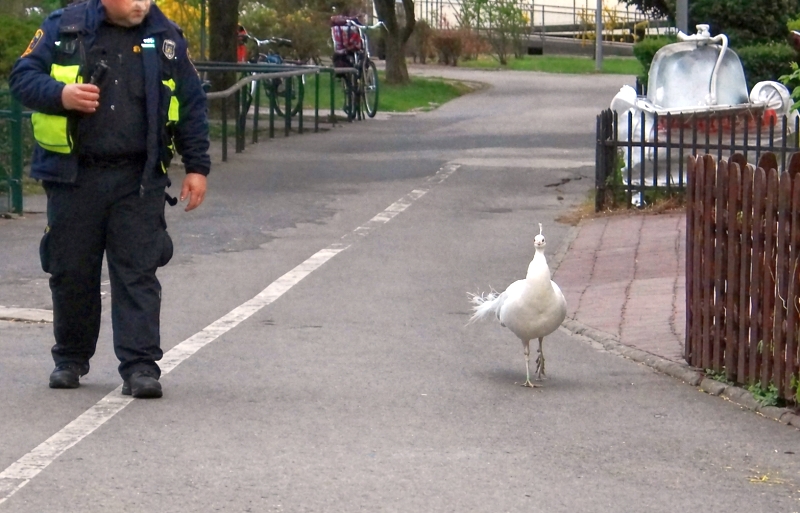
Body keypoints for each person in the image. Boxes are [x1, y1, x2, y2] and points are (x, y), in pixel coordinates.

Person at [9, 0, 210, 399]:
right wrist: (61, 94)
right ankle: (69, 358)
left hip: (138, 177)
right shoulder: (64, 28)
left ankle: (140, 367)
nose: (141, 4)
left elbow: (191, 102)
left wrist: (197, 166)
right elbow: (22, 77)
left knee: (138, 273)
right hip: (73, 176)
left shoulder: (166, 36)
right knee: (71, 271)